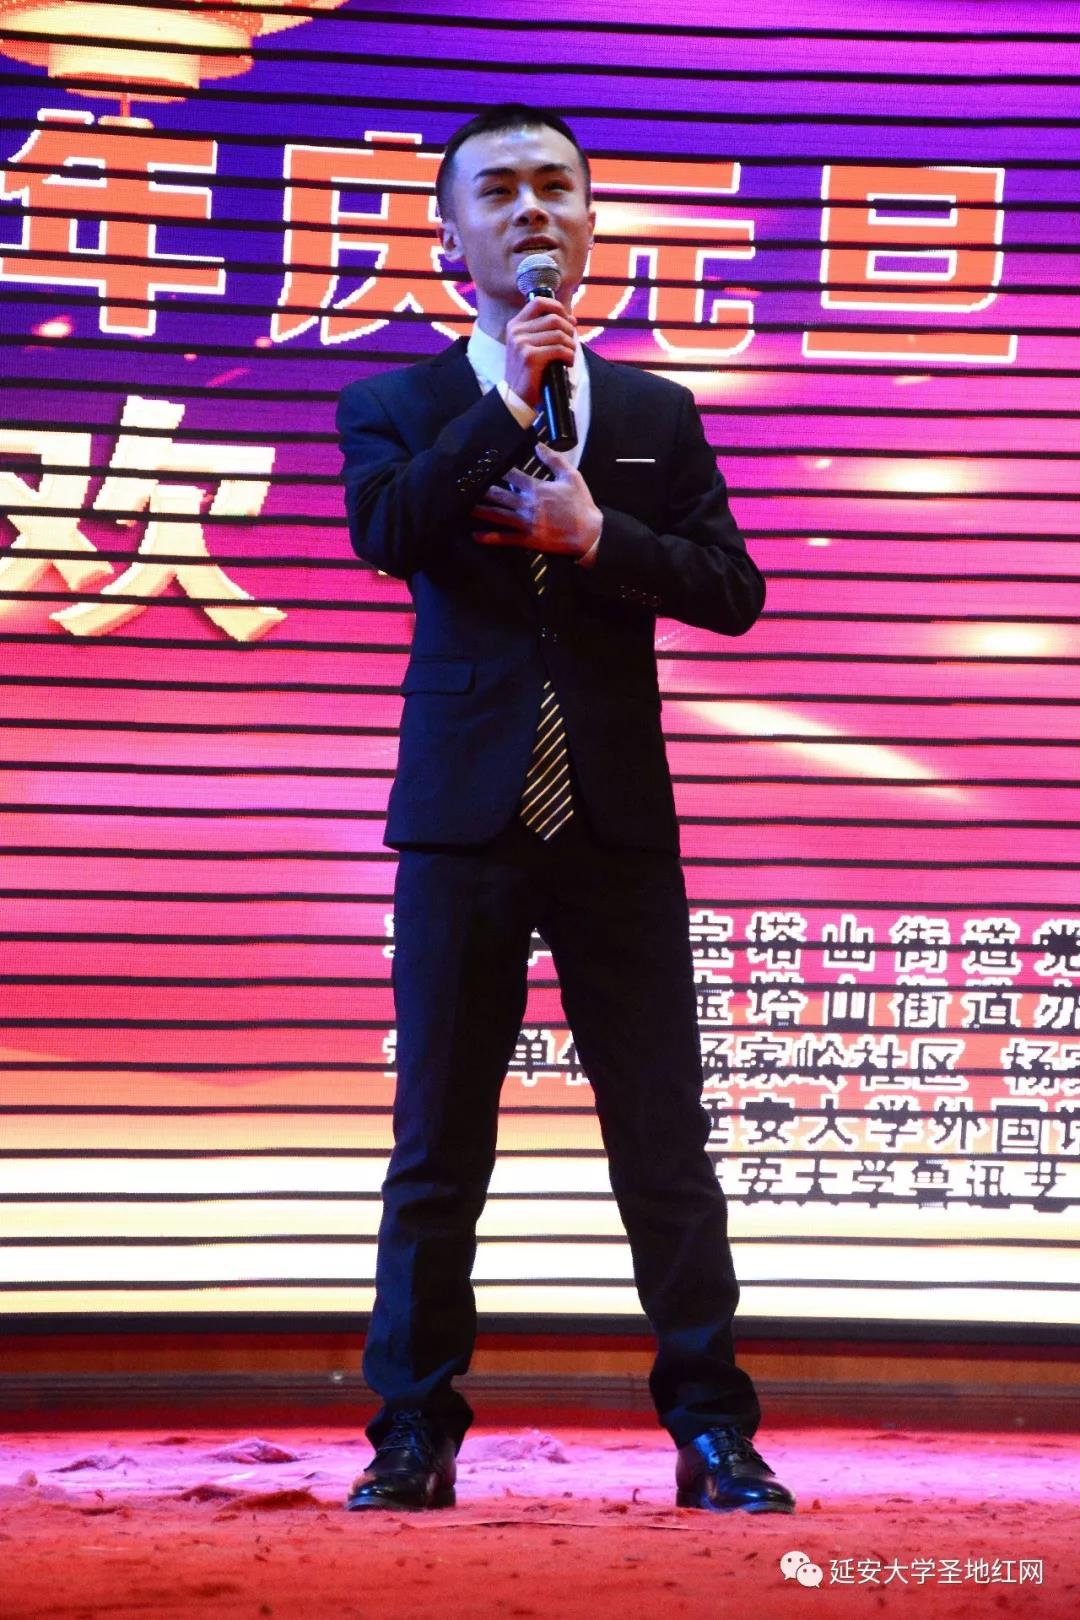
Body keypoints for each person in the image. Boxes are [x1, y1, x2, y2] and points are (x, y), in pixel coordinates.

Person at [335, 103, 795, 1517]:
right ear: (451, 236)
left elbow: (733, 590)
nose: (532, 212)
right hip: (461, 824)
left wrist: (602, 539)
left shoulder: (656, 413)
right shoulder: (396, 403)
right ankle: (412, 1433)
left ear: (592, 223)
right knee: (438, 1147)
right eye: (500, 193)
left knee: (663, 1139)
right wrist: (505, 409)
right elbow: (388, 532)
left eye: (556, 188)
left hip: (615, 825)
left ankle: (713, 1431)